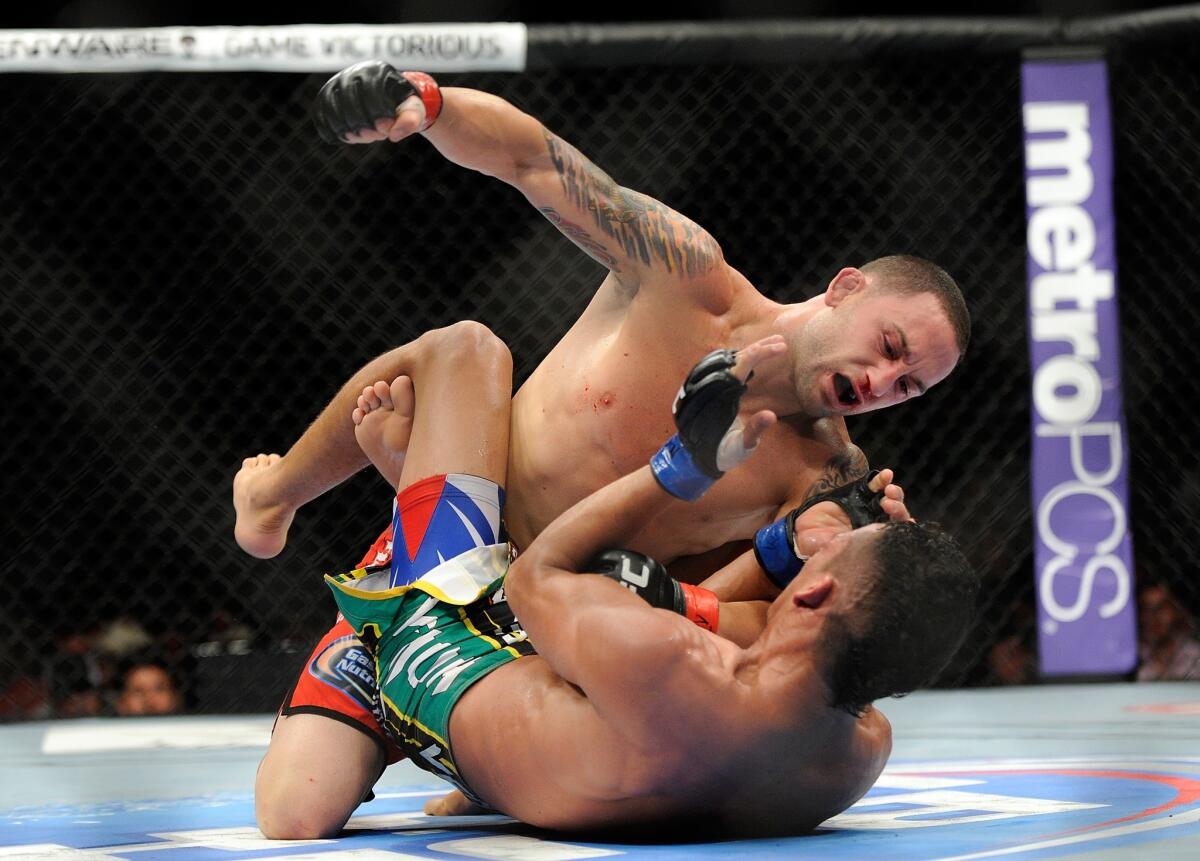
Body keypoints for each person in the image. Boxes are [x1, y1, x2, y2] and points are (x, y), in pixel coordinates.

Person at [244, 61, 971, 836]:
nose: (887, 379)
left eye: (911, 385)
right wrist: (429, 103)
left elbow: (767, 630)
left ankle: (482, 760)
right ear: (846, 287)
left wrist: (873, 550)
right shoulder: (687, 276)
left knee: (300, 814)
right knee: (468, 349)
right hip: (449, 544)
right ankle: (270, 497)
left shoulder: (830, 474)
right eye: (891, 346)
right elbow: (533, 159)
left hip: (558, 647)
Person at [270, 335, 976, 837]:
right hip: (557, 716)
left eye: (826, 561)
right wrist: (791, 549)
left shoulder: (661, 661)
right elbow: (735, 626)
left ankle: (291, 511)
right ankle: (419, 504)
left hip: (442, 643)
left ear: (817, 595)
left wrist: (683, 466)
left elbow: (535, 576)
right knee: (655, 599)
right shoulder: (858, 751)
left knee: (465, 352)